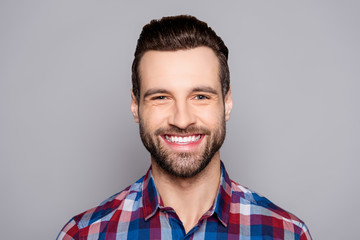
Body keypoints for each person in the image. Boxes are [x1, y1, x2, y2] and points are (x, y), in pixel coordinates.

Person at [57, 15, 312, 240]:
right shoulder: (84, 234)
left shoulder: (286, 234)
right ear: (136, 106)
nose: (182, 120)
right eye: (160, 97)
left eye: (200, 96)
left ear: (227, 103)